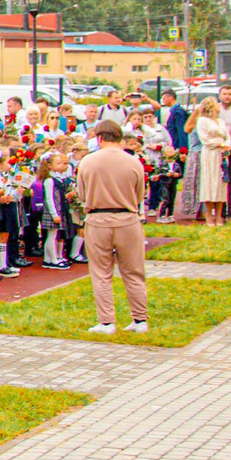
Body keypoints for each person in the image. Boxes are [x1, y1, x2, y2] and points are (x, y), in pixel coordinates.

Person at [76, 120, 151, 336]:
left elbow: (82, 194)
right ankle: (139, 318)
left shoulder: (88, 162)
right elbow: (139, 194)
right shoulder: (134, 162)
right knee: (134, 271)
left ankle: (107, 322)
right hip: (127, 218)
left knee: (101, 272)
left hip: (98, 218)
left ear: (99, 138)